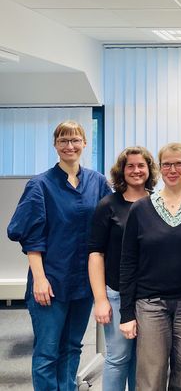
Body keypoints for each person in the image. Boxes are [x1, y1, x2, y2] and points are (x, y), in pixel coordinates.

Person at [7, 120, 111, 390]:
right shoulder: (40, 185)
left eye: (75, 140)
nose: (70, 146)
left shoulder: (97, 182)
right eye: (63, 140)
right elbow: (30, 236)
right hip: (50, 280)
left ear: (85, 144)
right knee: (47, 351)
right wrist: (39, 279)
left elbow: (112, 222)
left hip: (83, 282)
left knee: (73, 346)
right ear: (55, 145)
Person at [119, 142, 181, 391]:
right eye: (167, 164)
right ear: (160, 168)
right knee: (151, 373)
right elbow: (128, 262)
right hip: (150, 303)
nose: (172, 169)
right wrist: (127, 313)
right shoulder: (140, 208)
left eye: (178, 164)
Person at [88, 146, 158, 391]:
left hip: (150, 296)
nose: (136, 170)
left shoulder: (158, 204)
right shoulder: (108, 205)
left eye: (141, 165)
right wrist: (100, 300)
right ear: (122, 170)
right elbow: (96, 254)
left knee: (142, 360)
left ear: (149, 170)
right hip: (116, 293)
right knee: (118, 357)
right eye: (131, 166)